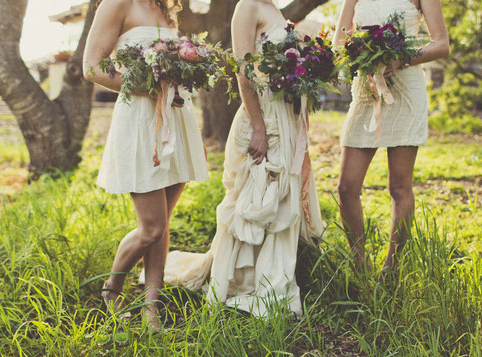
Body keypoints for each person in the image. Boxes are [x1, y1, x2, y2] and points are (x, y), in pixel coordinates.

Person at [149, 0, 323, 317]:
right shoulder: (247, 7)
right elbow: (244, 71)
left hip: (286, 116)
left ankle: (271, 277)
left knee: (282, 196)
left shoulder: (276, 11)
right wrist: (258, 128)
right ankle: (245, 280)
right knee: (258, 193)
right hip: (264, 118)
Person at [83, 0, 209, 330]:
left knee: (163, 224)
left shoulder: (166, 9)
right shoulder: (116, 3)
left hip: (176, 117)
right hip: (140, 120)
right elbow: (91, 67)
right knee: (151, 227)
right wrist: (144, 85)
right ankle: (111, 291)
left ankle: (151, 307)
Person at [334, 0, 449, 271]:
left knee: (399, 187)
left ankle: (391, 269)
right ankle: (359, 266)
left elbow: (441, 44)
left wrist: (400, 59)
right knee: (346, 188)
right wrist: (361, 56)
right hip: (366, 91)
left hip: (406, 91)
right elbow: (339, 41)